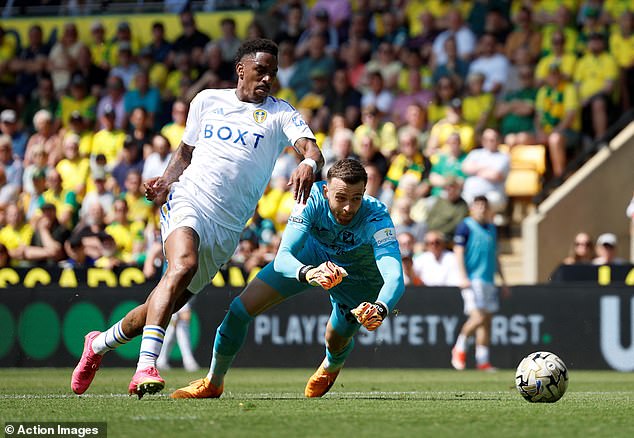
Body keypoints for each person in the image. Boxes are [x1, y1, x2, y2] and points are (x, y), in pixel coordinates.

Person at [70, 39, 324, 398]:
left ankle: (97, 345)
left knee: (165, 301)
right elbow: (185, 153)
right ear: (241, 69)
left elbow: (312, 148)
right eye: (261, 70)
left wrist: (308, 163)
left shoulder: (281, 113)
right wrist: (165, 183)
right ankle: (145, 367)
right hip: (190, 199)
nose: (268, 78)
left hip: (228, 227)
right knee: (183, 264)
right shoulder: (207, 100)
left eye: (273, 72)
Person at [169, 159, 405, 399]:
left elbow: (394, 275)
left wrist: (381, 307)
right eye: (340, 197)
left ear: (364, 192)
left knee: (334, 339)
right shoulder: (312, 198)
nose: (348, 207)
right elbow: (283, 258)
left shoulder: (376, 218)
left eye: (356, 198)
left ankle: (331, 365)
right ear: (326, 191)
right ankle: (213, 382)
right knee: (239, 310)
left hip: (358, 279)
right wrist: (309, 272)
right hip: (308, 258)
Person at [451, 196, 509, 371]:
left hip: (489, 280)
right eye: (478, 205)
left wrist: (504, 281)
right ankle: (459, 348)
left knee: (486, 322)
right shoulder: (465, 226)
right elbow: (458, 251)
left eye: (484, 205)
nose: (481, 208)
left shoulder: (492, 228)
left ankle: (482, 361)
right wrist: (462, 276)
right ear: (472, 208)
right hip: (472, 280)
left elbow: (495, 256)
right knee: (478, 317)